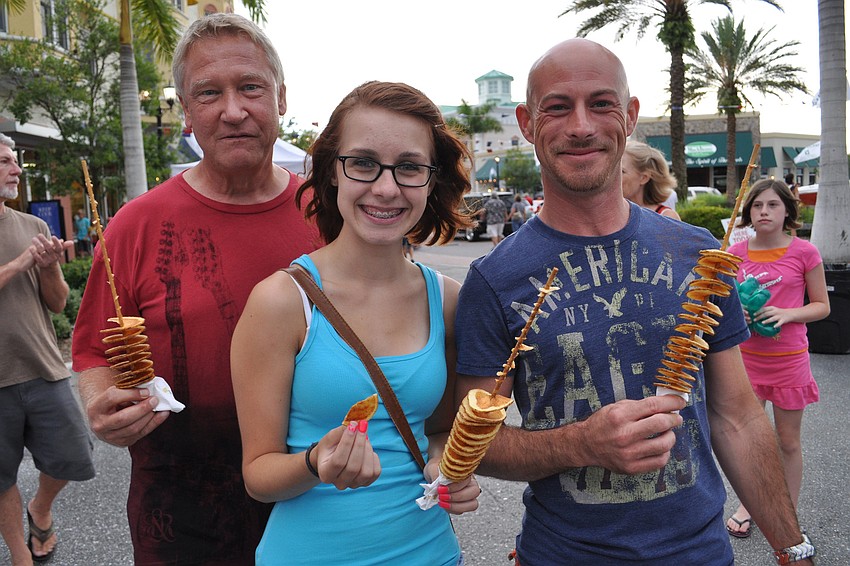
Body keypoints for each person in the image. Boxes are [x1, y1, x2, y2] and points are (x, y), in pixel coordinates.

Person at [454, 39, 814, 565]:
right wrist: (580, 444)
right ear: (527, 123)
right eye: (558, 107)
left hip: (701, 555)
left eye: (601, 103)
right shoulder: (493, 280)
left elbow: (738, 416)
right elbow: (476, 443)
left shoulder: (698, 254)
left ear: (630, 115)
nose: (581, 125)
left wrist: (793, 545)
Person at [72, 14, 322, 565]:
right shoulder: (136, 225)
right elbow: (93, 348)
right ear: (186, 113)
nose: (233, 110)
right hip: (180, 508)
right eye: (209, 93)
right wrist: (102, 405)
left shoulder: (328, 214)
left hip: (316, 496)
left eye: (250, 87)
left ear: (281, 99)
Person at [230, 81, 481, 565]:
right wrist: (315, 461)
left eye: (409, 167)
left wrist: (448, 468)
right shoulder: (282, 301)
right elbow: (257, 476)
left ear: (432, 180)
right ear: (332, 173)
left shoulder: (448, 301)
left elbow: (441, 430)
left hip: (431, 553)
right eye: (363, 163)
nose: (386, 188)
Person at [0, 133, 95, 564]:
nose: (16, 170)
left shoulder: (33, 227)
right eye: (5, 162)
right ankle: (21, 553)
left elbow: (57, 302)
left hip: (42, 366)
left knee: (74, 452)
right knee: (0, 477)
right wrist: (21, 262)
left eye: (15, 161)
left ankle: (39, 508)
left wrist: (49, 266)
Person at [725, 179, 830, 538]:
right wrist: (736, 310)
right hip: (745, 362)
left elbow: (821, 306)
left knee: (787, 441)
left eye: (772, 205)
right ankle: (749, 505)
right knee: (750, 440)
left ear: (787, 210)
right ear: (748, 212)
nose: (764, 212)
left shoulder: (805, 252)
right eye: (757, 206)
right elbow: (722, 303)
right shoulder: (736, 253)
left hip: (789, 361)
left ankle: (787, 513)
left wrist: (787, 314)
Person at [622, 140, 681, 220]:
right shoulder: (609, 215)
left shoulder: (665, 217)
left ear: (644, 178)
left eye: (622, 172)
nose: (613, 177)